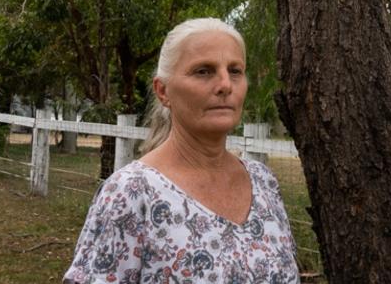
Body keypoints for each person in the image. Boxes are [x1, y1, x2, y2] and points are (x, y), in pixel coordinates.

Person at [64, 18, 300, 283]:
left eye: (235, 70)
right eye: (203, 71)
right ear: (163, 91)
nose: (225, 84)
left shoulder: (263, 182)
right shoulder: (131, 194)